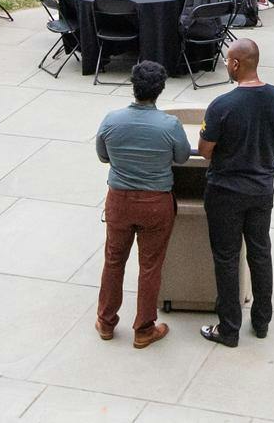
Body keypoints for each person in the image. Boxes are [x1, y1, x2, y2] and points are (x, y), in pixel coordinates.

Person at [198, 39, 274, 347]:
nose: (226, 65)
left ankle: (229, 328)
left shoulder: (221, 106)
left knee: (226, 258)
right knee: (260, 252)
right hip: (262, 189)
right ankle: (262, 321)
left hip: (225, 191)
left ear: (237, 64)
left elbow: (205, 150)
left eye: (227, 61)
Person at [90, 60, 188, 349]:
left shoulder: (112, 119)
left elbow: (103, 156)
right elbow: (182, 157)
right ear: (160, 90)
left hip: (119, 200)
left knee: (113, 259)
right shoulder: (169, 124)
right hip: (156, 202)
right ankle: (144, 328)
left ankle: (106, 321)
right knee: (150, 266)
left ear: (133, 86)